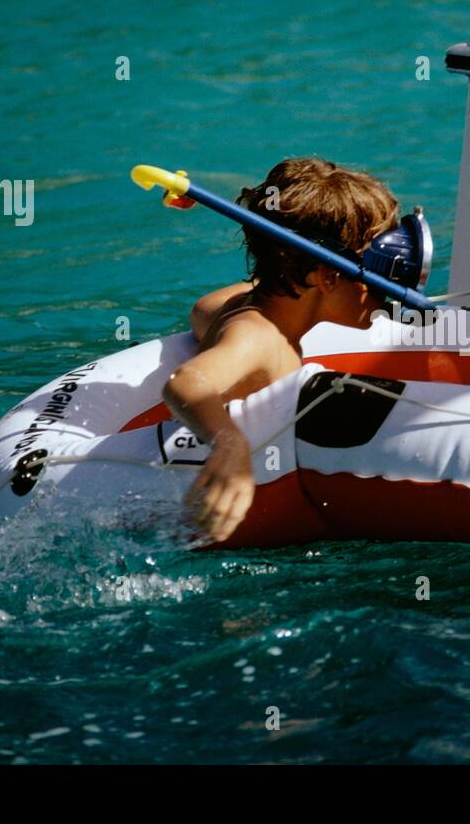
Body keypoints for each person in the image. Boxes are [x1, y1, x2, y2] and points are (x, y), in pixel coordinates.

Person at [162, 157, 399, 543]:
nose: (387, 289)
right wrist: (230, 444)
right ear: (325, 276)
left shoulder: (247, 307)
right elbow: (187, 381)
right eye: (381, 271)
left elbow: (201, 310)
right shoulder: (260, 337)